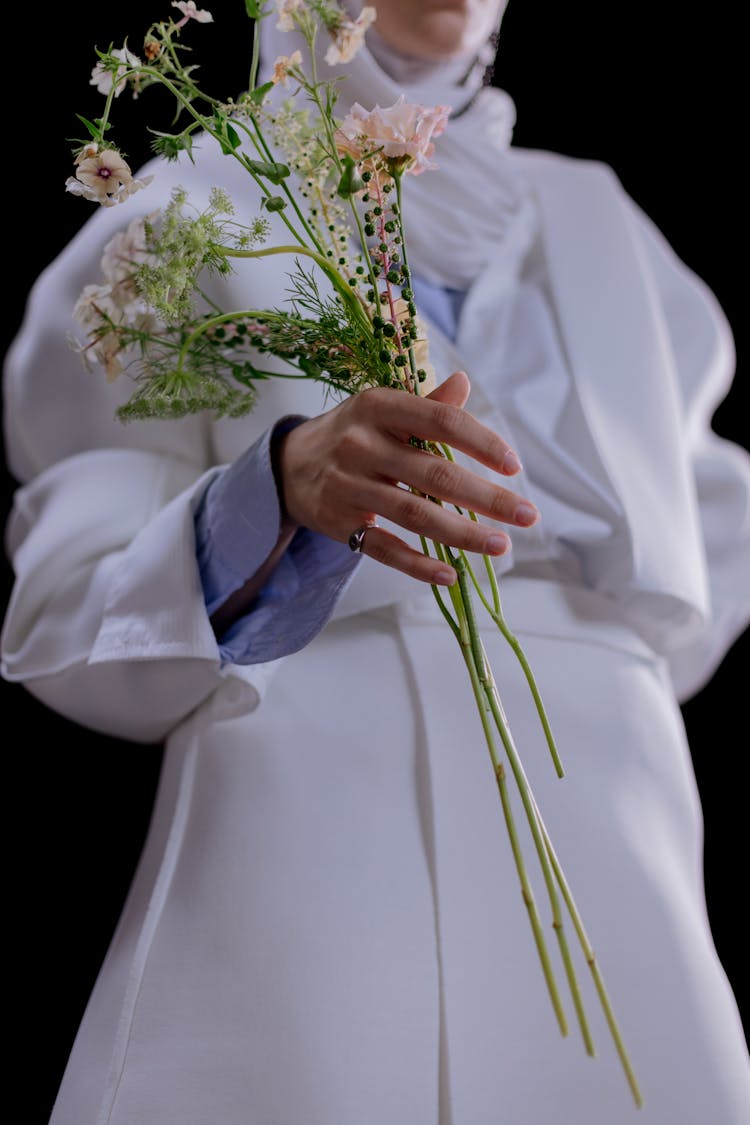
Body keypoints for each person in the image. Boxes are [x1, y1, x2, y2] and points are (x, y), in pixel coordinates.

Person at [2, 1, 749, 1122]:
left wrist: (593, 671)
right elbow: (69, 604)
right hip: (317, 805)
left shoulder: (601, 223)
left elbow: (708, 551)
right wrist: (274, 488)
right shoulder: (182, 210)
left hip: (608, 815)